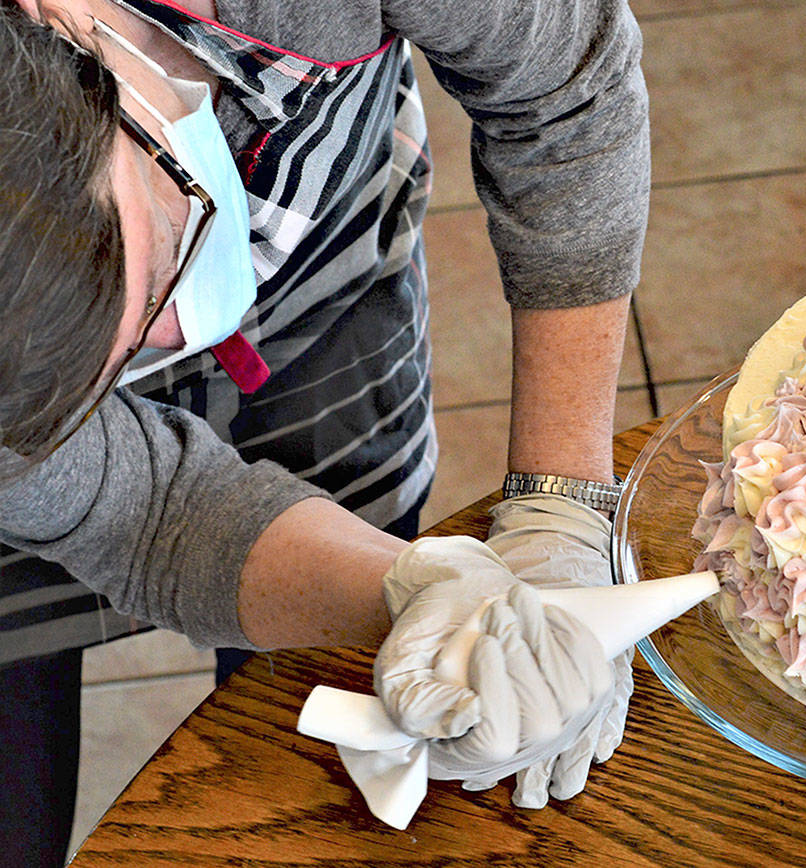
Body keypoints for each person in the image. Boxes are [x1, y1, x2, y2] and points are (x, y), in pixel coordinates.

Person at [0, 0, 649, 863]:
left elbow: (564, 88)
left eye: (156, 260)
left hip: (324, 318)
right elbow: (137, 514)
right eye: (113, 365)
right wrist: (416, 591)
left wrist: (559, 503)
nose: (173, 336)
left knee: (317, 768)